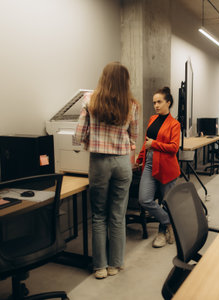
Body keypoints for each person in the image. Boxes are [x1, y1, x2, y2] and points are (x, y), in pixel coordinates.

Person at [74, 62, 139, 279]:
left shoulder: (90, 101)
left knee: (99, 215)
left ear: (104, 79)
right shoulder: (131, 105)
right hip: (122, 163)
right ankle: (116, 264)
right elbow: (134, 137)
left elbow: (78, 135)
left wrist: (89, 143)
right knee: (117, 215)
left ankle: (100, 267)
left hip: (99, 163)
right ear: (125, 82)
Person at [136, 87, 180, 248]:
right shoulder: (152, 119)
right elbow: (146, 142)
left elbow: (174, 148)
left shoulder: (174, 124)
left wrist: (153, 144)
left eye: (159, 102)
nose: (156, 105)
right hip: (149, 163)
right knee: (145, 199)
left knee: (165, 202)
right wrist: (140, 157)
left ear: (168, 102)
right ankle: (170, 223)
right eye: (154, 102)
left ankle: (161, 234)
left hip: (167, 166)